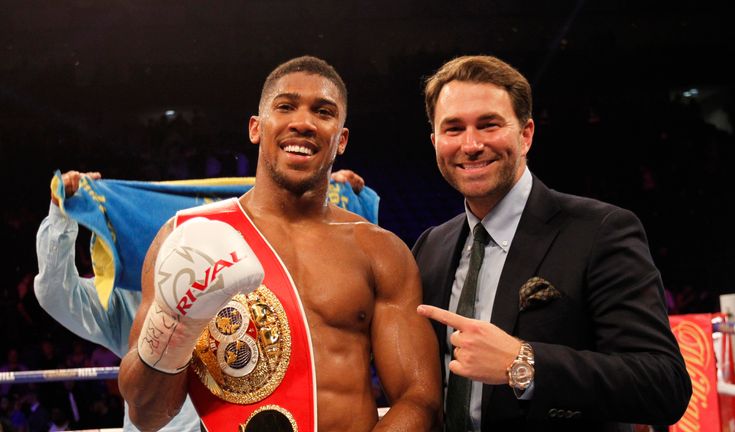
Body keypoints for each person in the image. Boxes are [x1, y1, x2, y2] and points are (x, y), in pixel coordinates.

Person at [118, 55, 442, 431]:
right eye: (286, 106)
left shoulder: (380, 251)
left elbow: (419, 398)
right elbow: (148, 414)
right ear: (256, 128)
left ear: (342, 140)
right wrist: (175, 325)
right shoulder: (187, 240)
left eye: (323, 112)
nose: (303, 123)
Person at [412, 55, 692, 431]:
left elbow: (663, 385)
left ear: (526, 134)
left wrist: (523, 363)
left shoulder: (601, 230)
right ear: (435, 141)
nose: (471, 144)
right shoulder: (432, 246)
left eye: (488, 124)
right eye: (453, 129)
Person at [34, 164, 370, 432]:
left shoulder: (266, 280)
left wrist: (325, 194)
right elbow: (56, 294)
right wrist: (61, 214)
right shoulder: (130, 299)